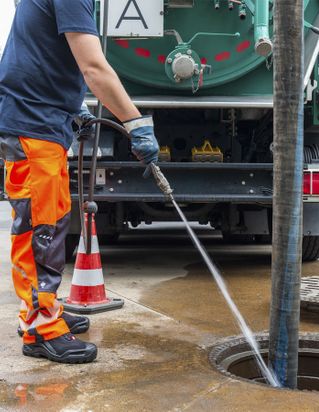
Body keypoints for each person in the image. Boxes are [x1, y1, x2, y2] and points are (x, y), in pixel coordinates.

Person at [0, 0, 159, 364]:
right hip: (33, 123)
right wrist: (135, 123)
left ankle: (45, 307)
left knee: (51, 217)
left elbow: (39, 55)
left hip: (38, 118)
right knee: (40, 227)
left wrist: (74, 107)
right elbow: (93, 68)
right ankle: (41, 328)